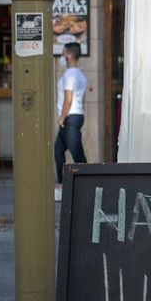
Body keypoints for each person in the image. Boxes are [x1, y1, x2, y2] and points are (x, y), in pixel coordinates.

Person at [53, 42, 88, 194]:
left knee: (77, 154)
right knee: (58, 151)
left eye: (63, 52)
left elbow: (68, 99)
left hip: (70, 118)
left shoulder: (70, 75)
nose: (62, 56)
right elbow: (83, 99)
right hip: (76, 116)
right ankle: (61, 184)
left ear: (69, 55)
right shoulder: (80, 74)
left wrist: (61, 118)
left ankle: (89, 183)